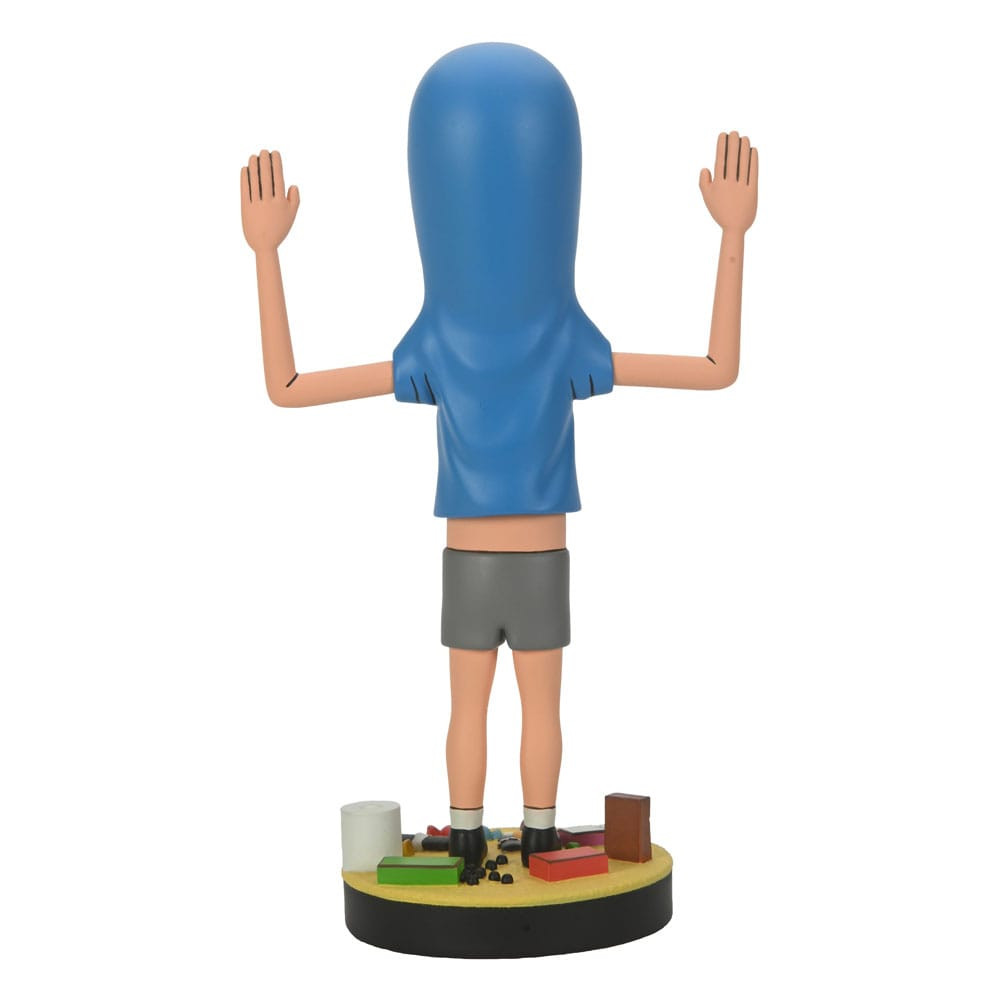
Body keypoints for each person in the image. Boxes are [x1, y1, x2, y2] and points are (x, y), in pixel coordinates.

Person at [240, 43, 758, 871]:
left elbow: (288, 386)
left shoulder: (438, 347)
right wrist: (733, 238)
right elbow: (717, 367)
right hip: (540, 558)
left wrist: (265, 255)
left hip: (471, 562)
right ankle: (538, 833)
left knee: (469, 708)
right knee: (537, 709)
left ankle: (470, 833)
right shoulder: (563, 342)